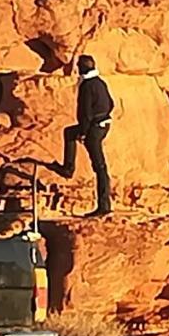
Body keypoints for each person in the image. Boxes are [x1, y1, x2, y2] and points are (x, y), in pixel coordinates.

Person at [54, 54, 114, 217]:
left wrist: (83, 132)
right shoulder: (100, 82)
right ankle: (68, 167)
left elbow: (85, 112)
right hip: (103, 124)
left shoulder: (87, 85)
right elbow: (111, 103)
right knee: (69, 132)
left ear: (80, 68)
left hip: (93, 127)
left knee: (100, 167)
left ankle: (104, 206)